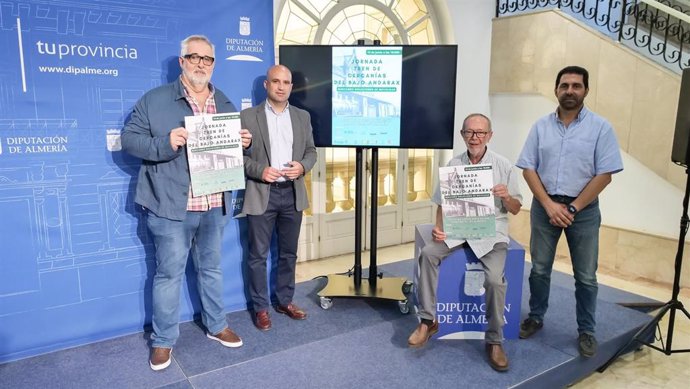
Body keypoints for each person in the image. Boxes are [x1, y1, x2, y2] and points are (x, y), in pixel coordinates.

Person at [121, 35, 252, 371]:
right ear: (182, 62)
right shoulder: (155, 100)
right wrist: (165, 143)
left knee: (211, 269)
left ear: (213, 64)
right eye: (193, 57)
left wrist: (244, 143)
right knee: (168, 275)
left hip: (214, 203)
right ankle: (163, 341)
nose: (200, 64)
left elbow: (233, 151)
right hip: (170, 206)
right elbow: (129, 140)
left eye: (207, 59)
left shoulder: (223, 103)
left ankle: (216, 325)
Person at [516, 65, 623, 358]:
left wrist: (573, 207)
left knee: (586, 276)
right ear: (556, 90)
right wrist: (550, 205)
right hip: (544, 206)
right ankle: (536, 316)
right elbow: (528, 167)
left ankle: (586, 330)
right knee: (539, 269)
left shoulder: (601, 128)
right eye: (564, 85)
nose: (570, 91)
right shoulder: (540, 126)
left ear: (586, 90)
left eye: (577, 86)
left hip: (584, 211)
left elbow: (605, 174)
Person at [409, 113, 522, 372]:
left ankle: (494, 340)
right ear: (462, 134)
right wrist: (439, 228)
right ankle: (428, 321)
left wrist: (506, 197)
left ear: (489, 136)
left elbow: (515, 209)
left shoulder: (504, 165)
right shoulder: (453, 163)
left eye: (480, 133)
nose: (475, 137)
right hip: (458, 229)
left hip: (491, 233)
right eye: (470, 132)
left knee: (494, 280)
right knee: (428, 253)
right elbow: (441, 202)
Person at [241, 64, 317, 331]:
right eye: (276, 81)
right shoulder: (247, 117)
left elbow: (311, 151)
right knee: (257, 255)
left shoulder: (302, 117)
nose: (281, 86)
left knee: (289, 254)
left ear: (291, 87)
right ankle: (261, 308)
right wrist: (260, 170)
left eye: (286, 82)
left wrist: (303, 166)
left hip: (292, 193)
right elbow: (238, 159)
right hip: (263, 194)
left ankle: (285, 300)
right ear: (266, 85)